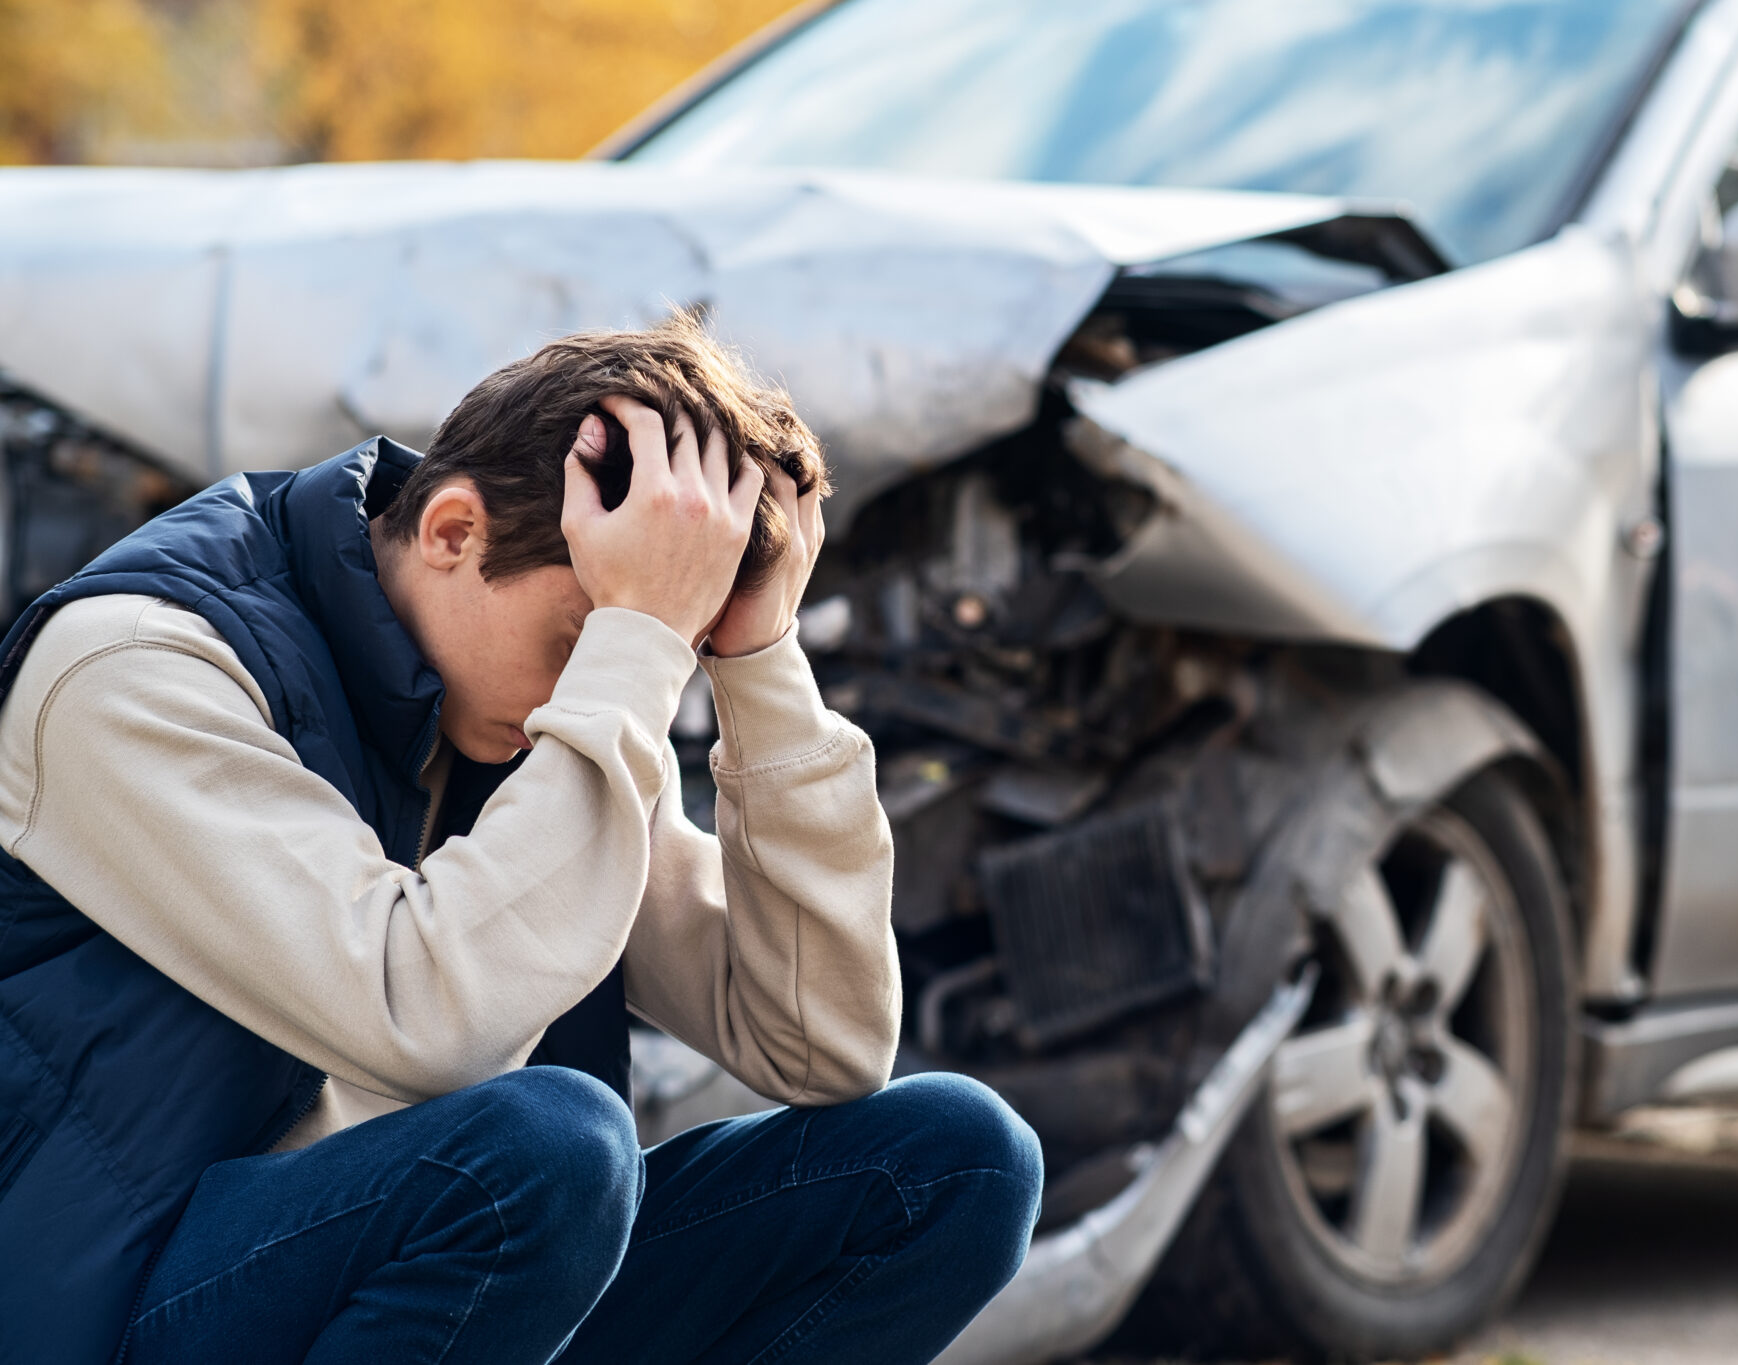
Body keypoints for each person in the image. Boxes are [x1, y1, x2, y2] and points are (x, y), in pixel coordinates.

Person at [0, 313, 1042, 1365]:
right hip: (116, 1300)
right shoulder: (132, 666)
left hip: (432, 1285)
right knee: (544, 1152)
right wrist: (630, 648)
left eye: (652, 651)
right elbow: (428, 1021)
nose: (609, 682)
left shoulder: (519, 699)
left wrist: (758, 662)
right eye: (581, 641)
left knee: (952, 1161)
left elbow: (819, 1045)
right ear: (453, 532)